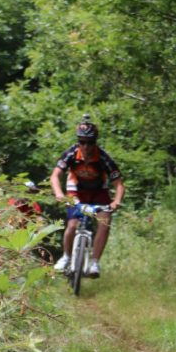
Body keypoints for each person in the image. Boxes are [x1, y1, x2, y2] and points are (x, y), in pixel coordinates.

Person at [51, 115, 125, 277]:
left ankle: (94, 262)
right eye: (81, 141)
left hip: (99, 192)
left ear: (95, 142)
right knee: (72, 225)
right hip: (76, 190)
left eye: (90, 142)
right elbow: (55, 176)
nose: (85, 146)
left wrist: (116, 201)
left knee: (105, 221)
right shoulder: (71, 153)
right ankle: (66, 257)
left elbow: (118, 184)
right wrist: (59, 194)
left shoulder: (104, 158)